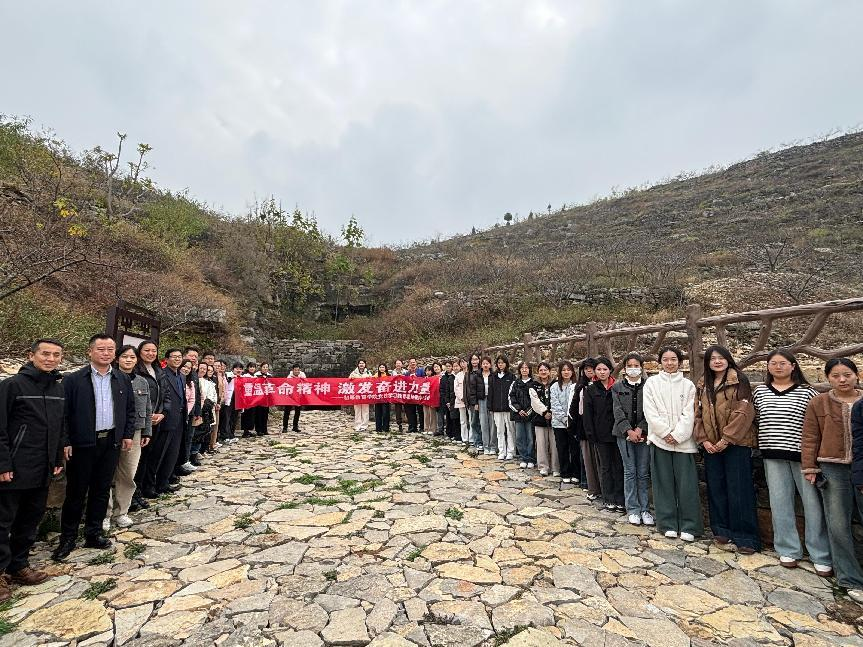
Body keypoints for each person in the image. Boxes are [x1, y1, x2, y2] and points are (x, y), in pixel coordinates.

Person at [53, 334, 135, 561]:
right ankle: (68, 538)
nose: (106, 353)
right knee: (76, 492)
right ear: (90, 351)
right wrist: (66, 441)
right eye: (101, 349)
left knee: (101, 489)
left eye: (110, 349)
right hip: (82, 443)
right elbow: (63, 414)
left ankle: (93, 533)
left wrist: (127, 434)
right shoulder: (73, 380)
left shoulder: (121, 378)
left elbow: (129, 409)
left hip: (111, 442)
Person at [0, 339, 67, 598]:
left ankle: (19, 565)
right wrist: (3, 463)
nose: (50, 359)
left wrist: (57, 460)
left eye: (56, 355)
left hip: (43, 467)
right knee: (3, 520)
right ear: (32, 355)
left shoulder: (57, 388)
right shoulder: (12, 385)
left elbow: (60, 427)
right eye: (45, 354)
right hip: (15, 466)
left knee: (30, 518)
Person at [752, 350, 830, 574]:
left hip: (803, 456)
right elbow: (757, 419)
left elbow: (816, 425)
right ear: (768, 367)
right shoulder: (760, 392)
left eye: (783, 363)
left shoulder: (807, 392)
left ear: (793, 366)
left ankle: (820, 554)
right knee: (779, 503)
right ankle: (788, 549)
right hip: (772, 454)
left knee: (813, 505)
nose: (778, 367)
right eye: (773, 363)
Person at [801, 358, 863, 602]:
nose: (842, 380)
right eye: (835, 376)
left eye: (847, 374)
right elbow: (810, 436)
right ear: (828, 378)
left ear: (857, 375)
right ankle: (849, 578)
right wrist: (809, 467)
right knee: (837, 523)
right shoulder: (819, 402)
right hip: (832, 466)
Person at [694, 345, 760, 553]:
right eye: (713, 358)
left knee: (739, 489)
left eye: (721, 358)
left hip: (736, 443)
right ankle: (721, 530)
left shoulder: (739, 380)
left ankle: (745, 537)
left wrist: (726, 439)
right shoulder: (703, 383)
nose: (717, 361)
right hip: (711, 445)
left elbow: (744, 412)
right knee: (716, 487)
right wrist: (703, 439)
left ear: (728, 359)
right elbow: (698, 413)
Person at [642, 346, 702, 542]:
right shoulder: (651, 383)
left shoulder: (688, 386)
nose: (669, 363)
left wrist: (678, 435)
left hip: (684, 443)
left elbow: (690, 413)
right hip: (660, 441)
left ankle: (689, 525)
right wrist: (665, 433)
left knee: (687, 485)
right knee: (663, 484)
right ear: (660, 362)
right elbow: (650, 411)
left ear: (680, 362)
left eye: (673, 359)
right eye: (665, 359)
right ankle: (667, 523)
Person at [105, 345, 153, 530]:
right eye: (124, 356)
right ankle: (105, 513)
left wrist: (147, 431)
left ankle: (121, 512)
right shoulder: (109, 379)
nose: (128, 360)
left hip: (135, 431)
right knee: (106, 474)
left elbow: (147, 407)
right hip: (112, 430)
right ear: (117, 359)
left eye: (132, 357)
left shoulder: (142, 381)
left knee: (128, 474)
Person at [611, 353, 653, 526]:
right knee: (630, 472)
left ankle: (645, 509)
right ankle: (633, 509)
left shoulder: (649, 385)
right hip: (624, 435)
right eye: (630, 365)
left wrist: (641, 428)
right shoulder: (617, 387)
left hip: (644, 433)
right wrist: (628, 430)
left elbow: (651, 409)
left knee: (643, 472)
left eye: (636, 365)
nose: (633, 369)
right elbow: (617, 410)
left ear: (641, 367)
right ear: (625, 368)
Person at [141, 348, 185, 498]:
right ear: (166, 359)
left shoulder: (181, 376)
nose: (177, 359)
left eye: (179, 357)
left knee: (172, 453)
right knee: (157, 454)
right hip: (165, 419)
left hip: (179, 419)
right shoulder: (162, 374)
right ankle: (150, 485)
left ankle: (164, 482)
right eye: (174, 357)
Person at [583, 357, 624, 512]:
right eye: (599, 369)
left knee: (619, 466)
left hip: (618, 433)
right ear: (595, 371)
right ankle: (609, 498)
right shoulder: (591, 390)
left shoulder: (617, 387)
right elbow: (587, 414)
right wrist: (590, 434)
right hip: (600, 434)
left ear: (610, 370)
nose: (602, 372)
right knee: (605, 467)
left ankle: (620, 498)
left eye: (605, 369)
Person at [130, 339, 164, 512]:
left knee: (148, 457)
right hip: (140, 421)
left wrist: (161, 412)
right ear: (139, 352)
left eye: (154, 351)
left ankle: (141, 490)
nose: (151, 354)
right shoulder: (136, 371)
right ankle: (132, 496)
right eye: (147, 350)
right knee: (135, 460)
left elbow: (164, 394)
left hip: (156, 419)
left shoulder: (158, 370)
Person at [571, 359, 601, 496]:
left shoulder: (602, 385)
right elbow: (573, 408)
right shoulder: (579, 387)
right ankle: (588, 484)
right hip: (583, 427)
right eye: (586, 368)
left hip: (600, 427)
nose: (589, 370)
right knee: (587, 458)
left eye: (591, 368)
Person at [551, 361, 580, 483]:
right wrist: (564, 419)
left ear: (572, 371)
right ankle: (565, 472)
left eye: (568, 369)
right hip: (559, 423)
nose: (566, 372)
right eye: (563, 370)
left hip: (574, 423)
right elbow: (555, 405)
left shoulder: (577, 386)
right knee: (562, 448)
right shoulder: (554, 387)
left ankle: (576, 473)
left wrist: (571, 420)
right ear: (560, 372)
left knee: (575, 449)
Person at [529, 362, 559, 477]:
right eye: (541, 370)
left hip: (554, 417)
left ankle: (556, 467)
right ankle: (543, 466)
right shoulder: (533, 385)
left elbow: (557, 398)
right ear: (538, 372)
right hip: (539, 418)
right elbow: (534, 401)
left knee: (555, 444)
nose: (543, 372)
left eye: (545, 370)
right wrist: (544, 412)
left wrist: (551, 411)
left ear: (549, 371)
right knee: (541, 444)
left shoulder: (555, 384)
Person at [509, 361, 536, 468]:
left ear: (530, 370)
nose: (524, 370)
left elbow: (536, 400)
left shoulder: (534, 383)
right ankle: (523, 458)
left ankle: (531, 459)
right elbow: (511, 398)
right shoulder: (515, 383)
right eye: (522, 368)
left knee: (530, 437)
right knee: (520, 437)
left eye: (526, 368)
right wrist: (519, 410)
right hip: (518, 415)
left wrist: (528, 411)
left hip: (531, 415)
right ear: (519, 370)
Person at [489, 356, 516, 460]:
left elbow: (513, 393)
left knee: (510, 430)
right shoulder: (493, 376)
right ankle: (501, 451)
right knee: (499, 430)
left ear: (506, 364)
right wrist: (490, 407)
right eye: (499, 363)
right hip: (496, 408)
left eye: (502, 362)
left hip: (508, 408)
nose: (500, 364)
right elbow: (490, 392)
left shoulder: (511, 376)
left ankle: (511, 451)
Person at [190, 363, 216, 464]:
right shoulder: (193, 379)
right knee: (194, 433)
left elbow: (212, 395)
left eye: (205, 369)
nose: (203, 370)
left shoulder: (208, 383)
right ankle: (191, 454)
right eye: (201, 368)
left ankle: (197, 451)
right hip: (195, 409)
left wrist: (208, 404)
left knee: (202, 432)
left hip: (206, 410)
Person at [220, 362, 242, 444]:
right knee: (226, 418)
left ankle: (231, 434)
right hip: (228, 400)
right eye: (237, 368)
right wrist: (231, 378)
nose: (238, 370)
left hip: (237, 401)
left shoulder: (242, 378)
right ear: (233, 369)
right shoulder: (227, 375)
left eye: (240, 369)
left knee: (234, 418)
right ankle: (224, 435)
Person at [464, 354, 483, 450]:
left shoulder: (482, 372)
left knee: (482, 422)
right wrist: (466, 402)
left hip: (481, 401)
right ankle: (477, 441)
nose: (474, 361)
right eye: (472, 359)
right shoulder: (468, 374)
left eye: (476, 359)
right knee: (474, 422)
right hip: (471, 402)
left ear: (479, 360)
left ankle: (482, 441)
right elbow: (465, 388)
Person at [349, 360, 372, 431]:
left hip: (365, 394)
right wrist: (351, 378)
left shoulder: (368, 373)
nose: (361, 364)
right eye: (360, 363)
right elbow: (349, 380)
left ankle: (364, 425)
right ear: (358, 364)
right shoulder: (354, 373)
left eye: (363, 363)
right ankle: (357, 425)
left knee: (365, 410)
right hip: (357, 394)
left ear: (365, 364)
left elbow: (372, 382)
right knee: (357, 410)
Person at [283, 364, 306, 433]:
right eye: (295, 370)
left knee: (297, 412)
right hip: (290, 396)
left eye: (298, 370)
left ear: (300, 370)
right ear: (292, 370)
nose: (297, 371)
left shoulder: (302, 375)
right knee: (287, 411)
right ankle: (285, 427)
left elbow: (305, 383)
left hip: (298, 396)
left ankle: (295, 426)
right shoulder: (289, 376)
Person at [404, 358, 425, 433]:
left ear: (416, 363)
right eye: (411, 362)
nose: (413, 364)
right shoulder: (407, 373)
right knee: (411, 411)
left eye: (414, 362)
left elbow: (424, 380)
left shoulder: (421, 371)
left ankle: (422, 427)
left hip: (419, 395)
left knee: (421, 411)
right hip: (411, 395)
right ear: (409, 364)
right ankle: (412, 427)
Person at [439, 361, 457, 441]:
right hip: (446, 400)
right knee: (448, 417)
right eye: (447, 366)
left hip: (454, 400)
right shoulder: (443, 378)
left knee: (454, 417)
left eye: (449, 366)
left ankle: (455, 433)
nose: (448, 368)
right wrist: (446, 401)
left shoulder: (454, 376)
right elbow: (442, 389)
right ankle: (449, 433)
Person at [239, 362, 258, 437]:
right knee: (246, 414)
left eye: (253, 367)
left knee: (251, 414)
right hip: (246, 398)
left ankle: (249, 430)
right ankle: (245, 431)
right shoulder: (245, 376)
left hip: (253, 398)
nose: (252, 368)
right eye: (251, 367)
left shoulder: (255, 376)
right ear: (248, 368)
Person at [254, 362, 272, 436]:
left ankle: (265, 429)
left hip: (266, 397)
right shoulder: (256, 375)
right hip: (258, 397)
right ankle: (258, 430)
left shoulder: (269, 376)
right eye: (264, 367)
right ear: (261, 367)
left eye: (266, 367)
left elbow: (272, 385)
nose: (265, 368)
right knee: (258, 414)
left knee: (265, 414)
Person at [454, 359, 469, 445]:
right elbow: (456, 388)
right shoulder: (458, 375)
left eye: (464, 362)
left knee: (471, 419)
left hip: (470, 400)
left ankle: (471, 438)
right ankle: (464, 438)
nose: (463, 364)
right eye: (461, 363)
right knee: (463, 420)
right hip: (461, 400)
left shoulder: (471, 373)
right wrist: (461, 397)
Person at [391, 359, 407, 432]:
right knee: (398, 409)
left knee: (407, 408)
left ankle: (410, 423)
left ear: (402, 364)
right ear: (395, 365)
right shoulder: (393, 372)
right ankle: (399, 424)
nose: (398, 365)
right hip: (397, 393)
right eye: (397, 363)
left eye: (399, 363)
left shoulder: (406, 372)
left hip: (405, 392)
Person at [374, 363, 391, 433]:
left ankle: (386, 428)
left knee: (385, 413)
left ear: (385, 368)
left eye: (383, 367)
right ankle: (378, 428)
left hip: (386, 398)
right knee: (378, 413)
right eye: (380, 367)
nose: (381, 368)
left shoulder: (389, 376)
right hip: (377, 397)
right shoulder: (375, 376)